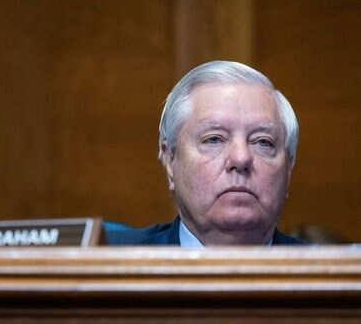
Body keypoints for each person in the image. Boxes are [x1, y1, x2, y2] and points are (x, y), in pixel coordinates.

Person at [105, 61, 305, 246]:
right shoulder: (103, 267)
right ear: (170, 161)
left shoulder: (329, 277)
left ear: (289, 168)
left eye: (263, 142)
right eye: (214, 139)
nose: (241, 158)